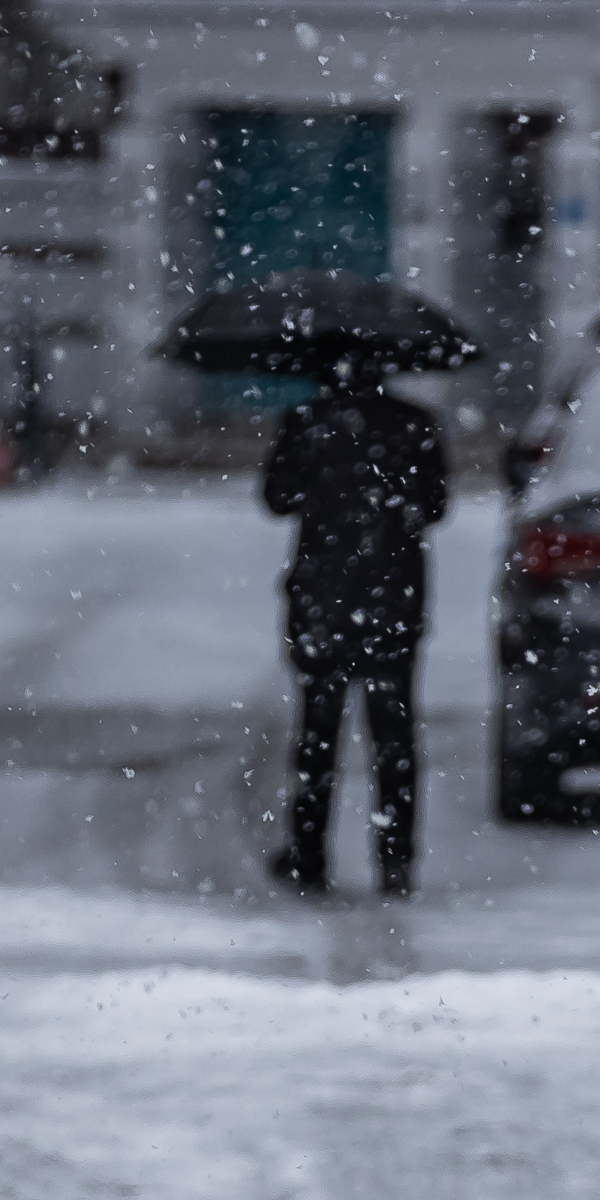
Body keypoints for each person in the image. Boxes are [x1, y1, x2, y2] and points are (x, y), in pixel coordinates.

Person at [262, 352, 449, 898]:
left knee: (318, 734)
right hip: (393, 597)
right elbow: (435, 505)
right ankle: (395, 860)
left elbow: (276, 498)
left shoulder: (306, 422)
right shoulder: (414, 425)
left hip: (325, 595)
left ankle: (309, 853)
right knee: (393, 734)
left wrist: (322, 482)